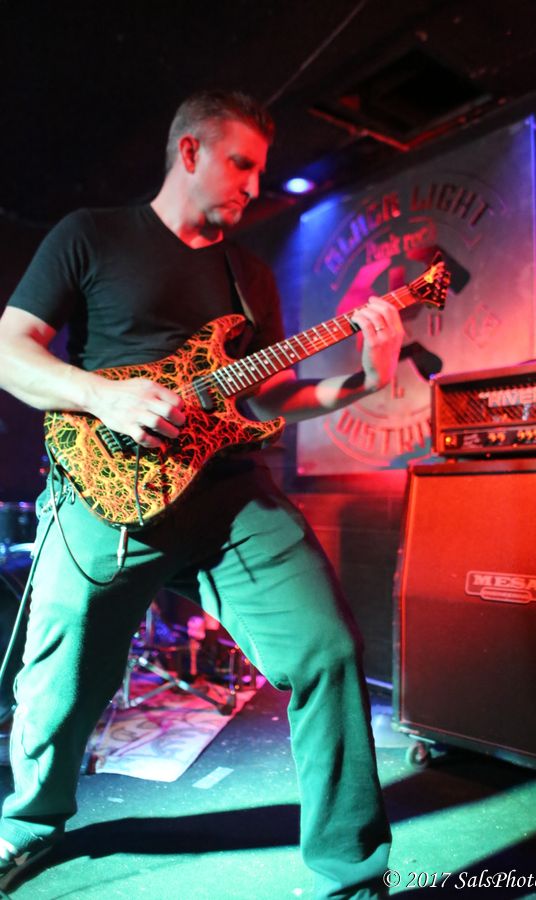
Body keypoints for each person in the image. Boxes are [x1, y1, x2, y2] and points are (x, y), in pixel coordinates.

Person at [0, 90, 403, 898]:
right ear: (190, 151)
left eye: (261, 169)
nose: (255, 184)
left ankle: (352, 871)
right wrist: (104, 395)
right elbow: (11, 350)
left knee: (326, 650)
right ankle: (30, 822)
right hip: (109, 485)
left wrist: (365, 379)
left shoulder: (248, 275)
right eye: (242, 164)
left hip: (228, 493)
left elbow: (271, 395)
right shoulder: (90, 234)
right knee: (62, 674)